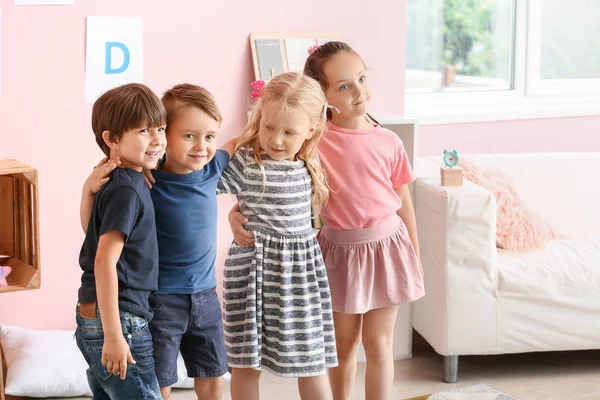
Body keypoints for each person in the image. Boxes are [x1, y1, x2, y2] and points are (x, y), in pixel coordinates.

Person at [229, 41, 425, 400]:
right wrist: (234, 212)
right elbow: (267, 181)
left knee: (380, 344)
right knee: (340, 347)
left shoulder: (390, 141)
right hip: (337, 253)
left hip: (386, 249)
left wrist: (414, 254)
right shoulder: (310, 138)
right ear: (324, 97)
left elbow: (404, 204)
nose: (358, 91)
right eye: (344, 86)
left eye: (362, 79)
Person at [81, 83, 237, 400]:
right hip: (162, 297)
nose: (202, 146)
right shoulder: (144, 178)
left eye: (209, 136)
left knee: (212, 370)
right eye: (189, 135)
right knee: (158, 375)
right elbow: (97, 239)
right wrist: (89, 188)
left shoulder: (212, 168)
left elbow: (240, 141)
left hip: (206, 293)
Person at [218, 71, 337, 400]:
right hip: (251, 272)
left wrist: (233, 214)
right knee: (245, 363)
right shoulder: (245, 160)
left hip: (299, 277)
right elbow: (197, 187)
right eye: (269, 126)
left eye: (289, 131)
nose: (277, 139)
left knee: (311, 361)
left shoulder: (309, 162)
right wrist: (233, 215)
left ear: (310, 130)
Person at [76, 83, 166, 399]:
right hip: (118, 321)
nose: (157, 139)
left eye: (161, 128)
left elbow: (93, 234)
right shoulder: (126, 190)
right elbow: (103, 260)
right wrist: (114, 336)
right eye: (144, 131)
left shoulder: (119, 179)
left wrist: (88, 190)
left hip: (98, 318)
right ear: (112, 139)